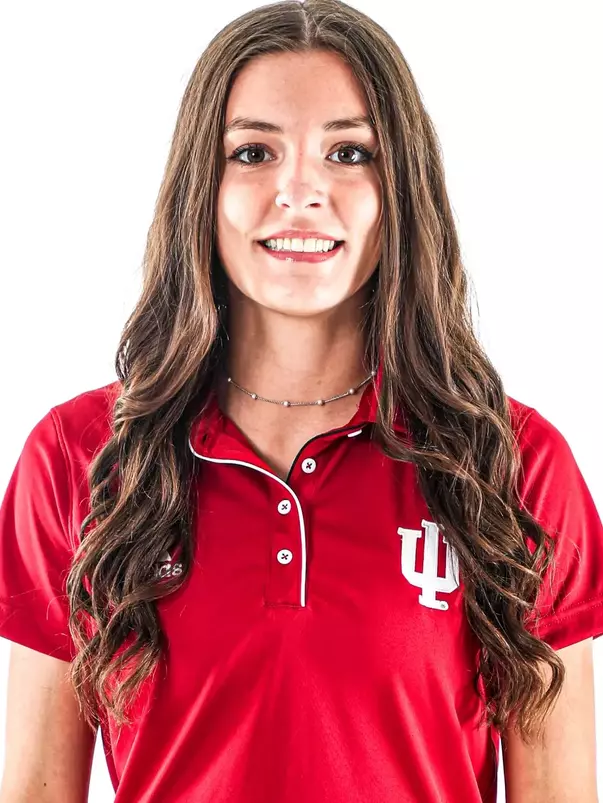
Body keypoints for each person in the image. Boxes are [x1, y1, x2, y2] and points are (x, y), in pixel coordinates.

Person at [0, 1, 601, 801]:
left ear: (402, 189)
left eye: (349, 151)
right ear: (199, 188)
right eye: (252, 151)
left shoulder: (514, 465)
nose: (299, 191)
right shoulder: (78, 457)